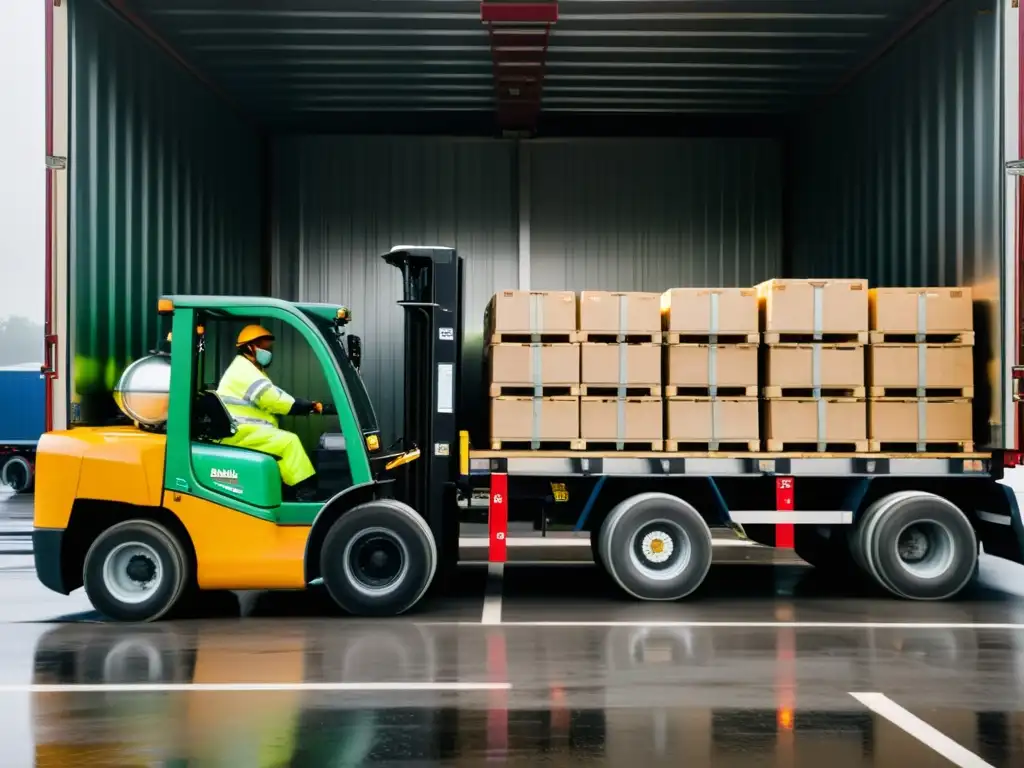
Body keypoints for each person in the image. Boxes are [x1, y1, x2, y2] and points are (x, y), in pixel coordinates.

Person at [216, 324, 329, 501]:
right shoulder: (243, 371)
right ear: (249, 347)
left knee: (282, 443)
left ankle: (290, 492)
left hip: (245, 432)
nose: (267, 352)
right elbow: (272, 399)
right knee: (288, 442)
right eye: (263, 347)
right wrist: (303, 405)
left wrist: (301, 405)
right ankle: (306, 493)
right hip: (239, 433)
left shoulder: (249, 369)